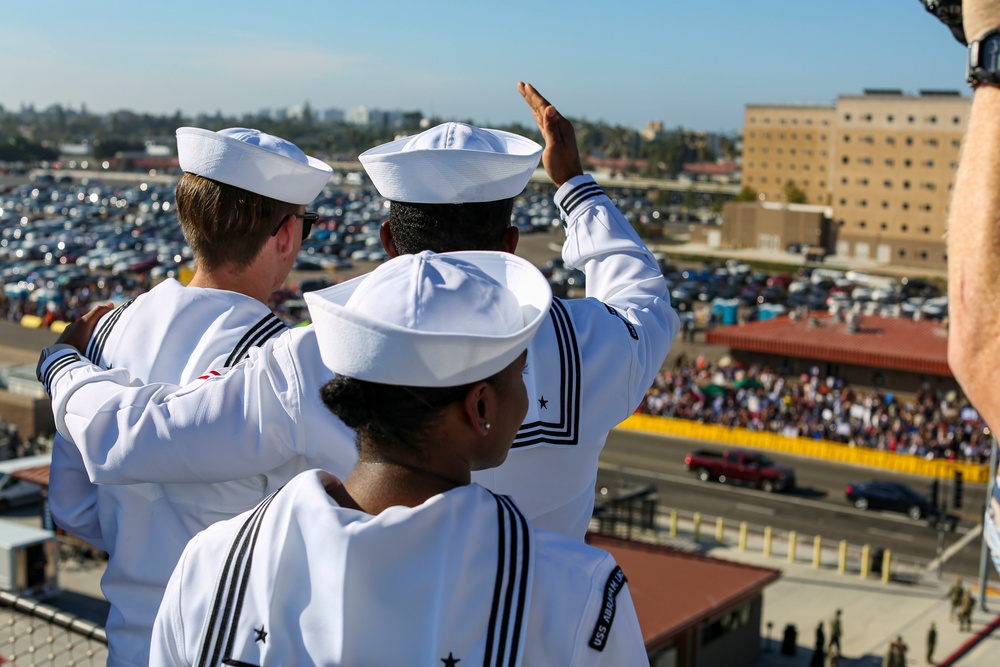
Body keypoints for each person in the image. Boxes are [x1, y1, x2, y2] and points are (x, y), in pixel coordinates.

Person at [37, 82, 677, 542]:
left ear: (389, 244)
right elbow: (642, 293)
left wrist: (64, 366)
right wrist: (574, 185)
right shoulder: (597, 345)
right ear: (509, 245)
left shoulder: (320, 353)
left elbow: (133, 438)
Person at [150, 250, 649, 665]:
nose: (523, 395)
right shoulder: (574, 597)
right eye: (519, 375)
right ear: (479, 406)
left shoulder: (209, 563)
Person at [43, 127, 354, 667]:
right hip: (238, 648)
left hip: (128, 643)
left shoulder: (101, 335)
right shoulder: (286, 363)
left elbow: (70, 506)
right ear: (285, 235)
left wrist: (142, 537)